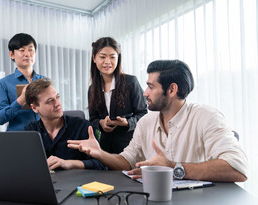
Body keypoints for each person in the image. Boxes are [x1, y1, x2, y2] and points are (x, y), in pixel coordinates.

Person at [68, 60, 248, 182]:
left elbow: (238, 168)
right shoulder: (146, 122)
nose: (144, 92)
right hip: (157, 204)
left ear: (172, 90)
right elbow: (127, 161)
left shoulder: (207, 116)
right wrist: (100, 154)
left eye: (151, 86)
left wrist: (172, 168)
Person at [24, 79, 107, 170]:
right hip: (44, 183)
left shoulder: (83, 127)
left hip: (77, 182)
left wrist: (70, 163)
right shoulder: (30, 132)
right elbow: (24, 166)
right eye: (50, 101)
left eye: (57, 97)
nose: (57, 103)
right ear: (35, 108)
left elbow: (102, 165)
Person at [89, 37, 147, 154]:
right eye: (102, 57)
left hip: (130, 148)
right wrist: (101, 123)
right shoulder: (92, 89)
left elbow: (143, 114)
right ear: (94, 58)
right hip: (105, 149)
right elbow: (93, 118)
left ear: (118, 58)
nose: (107, 62)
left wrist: (127, 123)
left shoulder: (131, 82)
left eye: (112, 57)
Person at [0, 33, 45, 131]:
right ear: (12, 54)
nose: (27, 54)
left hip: (45, 137)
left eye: (31, 50)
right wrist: (20, 101)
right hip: (18, 138)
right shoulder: (4, 83)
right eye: (22, 50)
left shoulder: (44, 81)